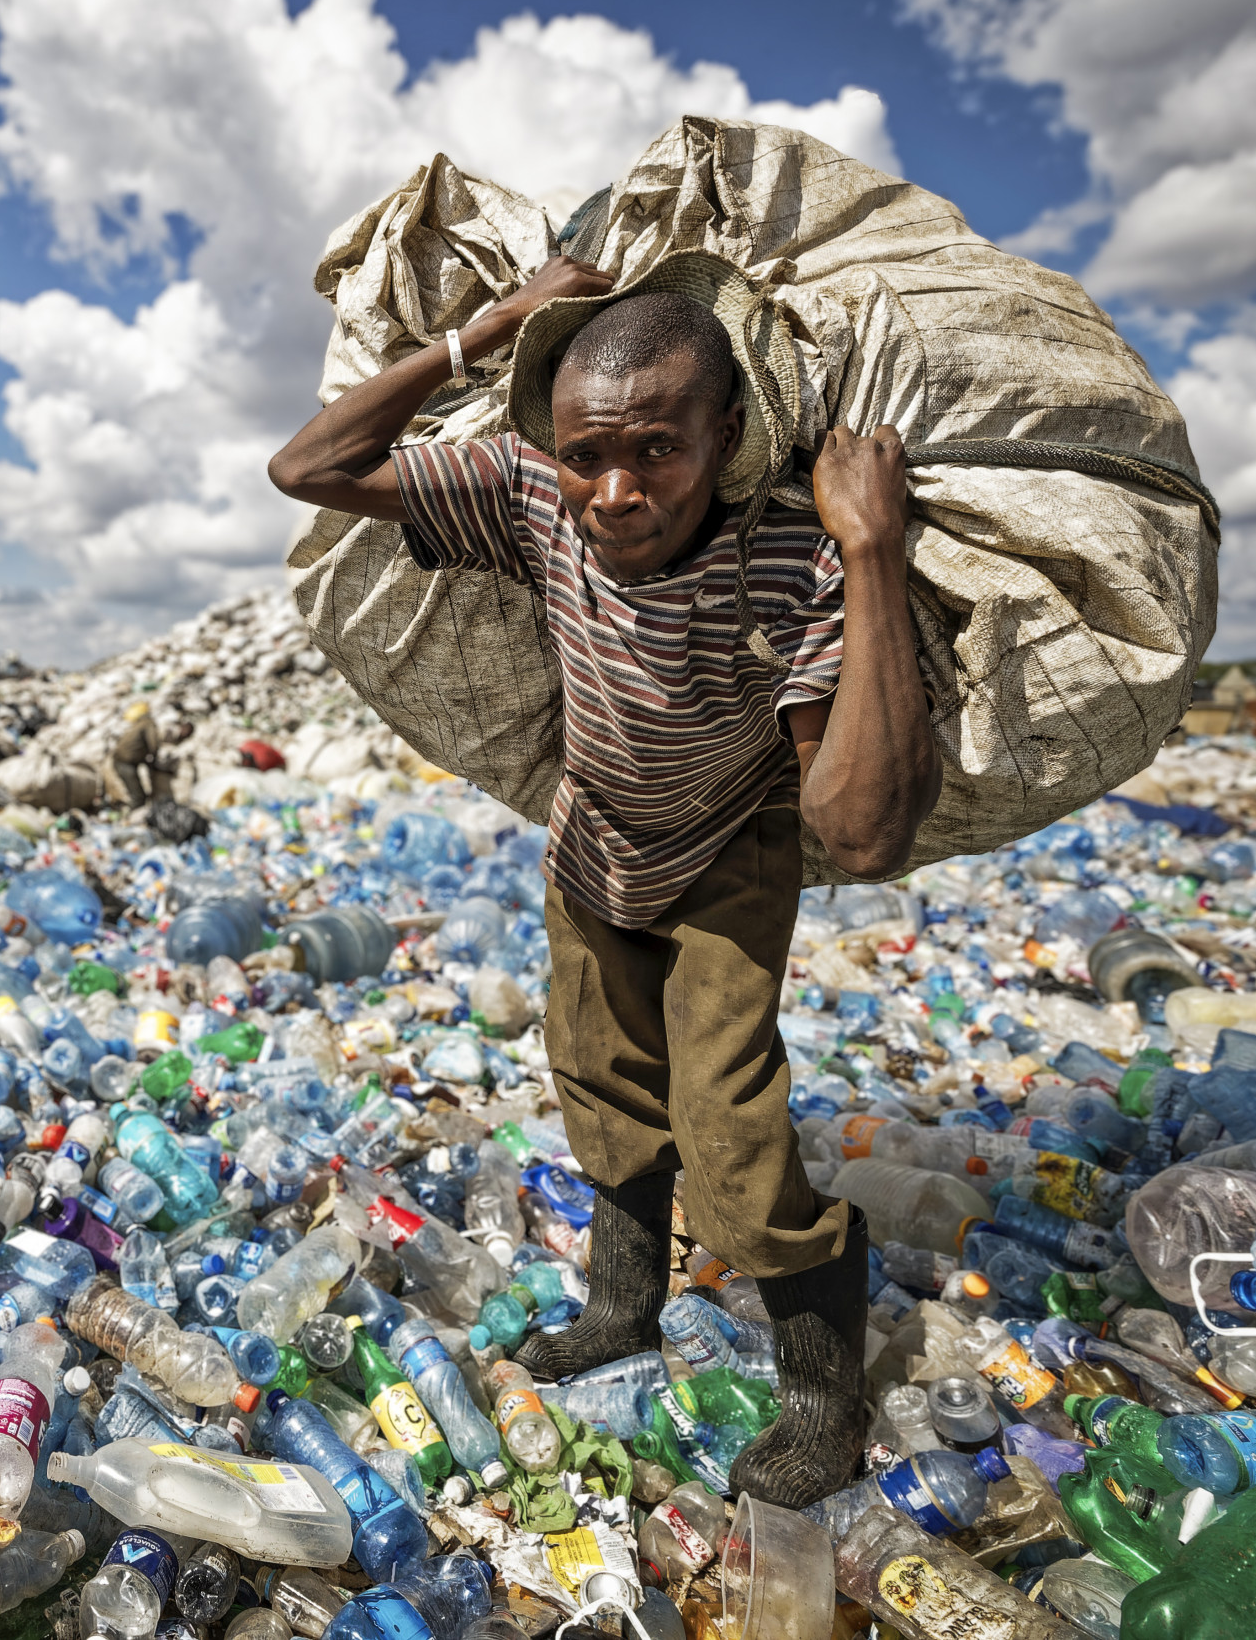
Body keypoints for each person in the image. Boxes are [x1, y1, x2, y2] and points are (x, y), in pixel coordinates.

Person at [265, 254, 940, 1505]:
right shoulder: (532, 499)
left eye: (657, 450)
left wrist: (874, 550)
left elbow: (856, 832)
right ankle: (620, 1310)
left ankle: (819, 1393)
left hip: (728, 854)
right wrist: (492, 332)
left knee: (729, 1127)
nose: (615, 492)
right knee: (599, 1083)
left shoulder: (789, 560)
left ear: (726, 436)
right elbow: (307, 468)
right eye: (588, 453)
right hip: (593, 846)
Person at [107, 703, 192, 808]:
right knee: (138, 796)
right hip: (124, 763)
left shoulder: (141, 724)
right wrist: (155, 757)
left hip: (125, 761)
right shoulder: (148, 724)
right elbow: (153, 743)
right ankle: (132, 817)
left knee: (139, 794)